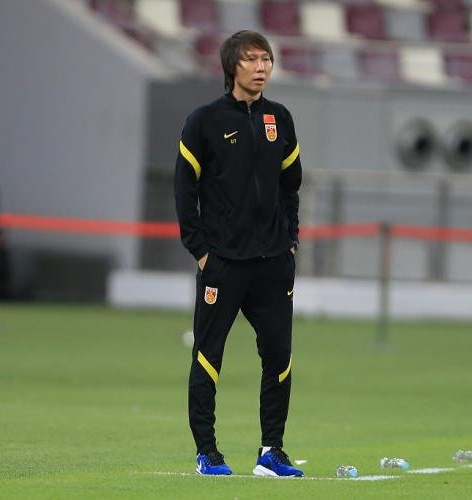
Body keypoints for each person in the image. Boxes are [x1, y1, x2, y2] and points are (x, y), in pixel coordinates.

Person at [174, 30, 303, 477]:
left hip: (273, 264)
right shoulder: (203, 120)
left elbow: (291, 187)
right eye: (252, 59)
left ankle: (272, 452)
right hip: (223, 264)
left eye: (266, 59)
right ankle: (207, 452)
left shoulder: (280, 119)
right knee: (208, 357)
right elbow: (184, 190)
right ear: (233, 67)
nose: (262, 67)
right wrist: (201, 251)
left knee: (279, 358)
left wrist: (290, 242)